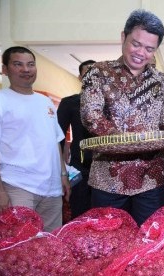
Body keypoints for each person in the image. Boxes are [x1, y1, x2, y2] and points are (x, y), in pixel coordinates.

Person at [80, 10, 164, 226]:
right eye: (136, 44)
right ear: (123, 37)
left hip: (153, 178)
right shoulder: (98, 73)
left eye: (150, 49)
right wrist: (131, 141)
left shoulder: (162, 81)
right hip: (108, 178)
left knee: (150, 240)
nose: (141, 52)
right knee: (109, 240)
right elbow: (91, 117)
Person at [0, 46, 71, 232]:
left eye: (30, 64)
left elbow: (55, 142)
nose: (26, 69)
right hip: (17, 186)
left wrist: (63, 175)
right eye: (18, 64)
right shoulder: (0, 100)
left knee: (50, 244)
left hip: (51, 189)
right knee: (20, 247)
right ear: (5, 69)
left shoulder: (45, 102)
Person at [57, 59, 95, 219]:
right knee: (80, 214)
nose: (92, 76)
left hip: (106, 168)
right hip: (80, 167)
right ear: (80, 77)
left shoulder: (110, 103)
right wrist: (61, 170)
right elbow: (57, 136)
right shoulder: (70, 103)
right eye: (87, 72)